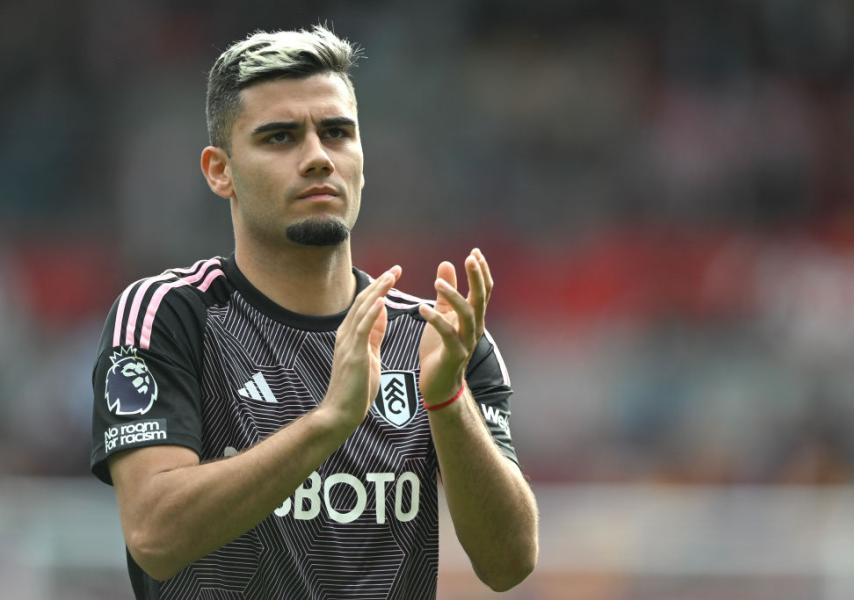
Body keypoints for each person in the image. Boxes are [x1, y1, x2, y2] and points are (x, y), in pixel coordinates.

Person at [90, 25, 538, 599]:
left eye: (336, 133)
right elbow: (154, 533)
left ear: (361, 157)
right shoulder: (170, 315)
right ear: (219, 171)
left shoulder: (436, 338)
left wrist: (447, 399)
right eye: (280, 138)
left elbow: (510, 563)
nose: (318, 158)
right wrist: (329, 421)